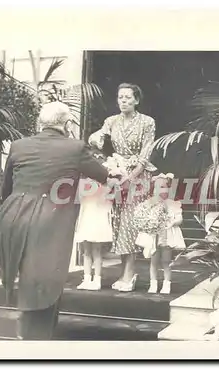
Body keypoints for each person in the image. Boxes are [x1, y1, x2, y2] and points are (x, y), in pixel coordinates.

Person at [0, 101, 110, 340]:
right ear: (67, 124)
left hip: (13, 216)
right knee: (46, 280)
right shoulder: (74, 148)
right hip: (50, 221)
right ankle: (35, 341)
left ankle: (28, 333)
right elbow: (102, 175)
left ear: (40, 123)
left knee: (29, 277)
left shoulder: (18, 146)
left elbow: (6, 189)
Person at [89, 83, 157, 292]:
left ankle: (129, 273)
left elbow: (146, 154)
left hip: (138, 176)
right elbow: (96, 140)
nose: (123, 101)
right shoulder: (111, 121)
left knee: (130, 222)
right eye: (120, 98)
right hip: (117, 174)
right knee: (118, 223)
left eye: (128, 97)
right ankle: (125, 272)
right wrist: (97, 139)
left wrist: (131, 176)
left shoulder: (147, 122)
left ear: (136, 100)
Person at [74, 143, 115, 291]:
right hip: (86, 218)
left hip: (97, 219)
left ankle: (96, 279)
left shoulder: (105, 185)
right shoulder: (83, 183)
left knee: (96, 251)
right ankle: (86, 278)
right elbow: (80, 199)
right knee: (86, 251)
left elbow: (107, 201)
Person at [149, 174, 186, 294]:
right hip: (155, 236)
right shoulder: (151, 204)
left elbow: (179, 219)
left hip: (167, 235)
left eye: (163, 187)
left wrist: (173, 222)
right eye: (157, 187)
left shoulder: (173, 204)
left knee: (166, 261)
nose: (160, 190)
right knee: (153, 261)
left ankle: (166, 283)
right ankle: (153, 283)